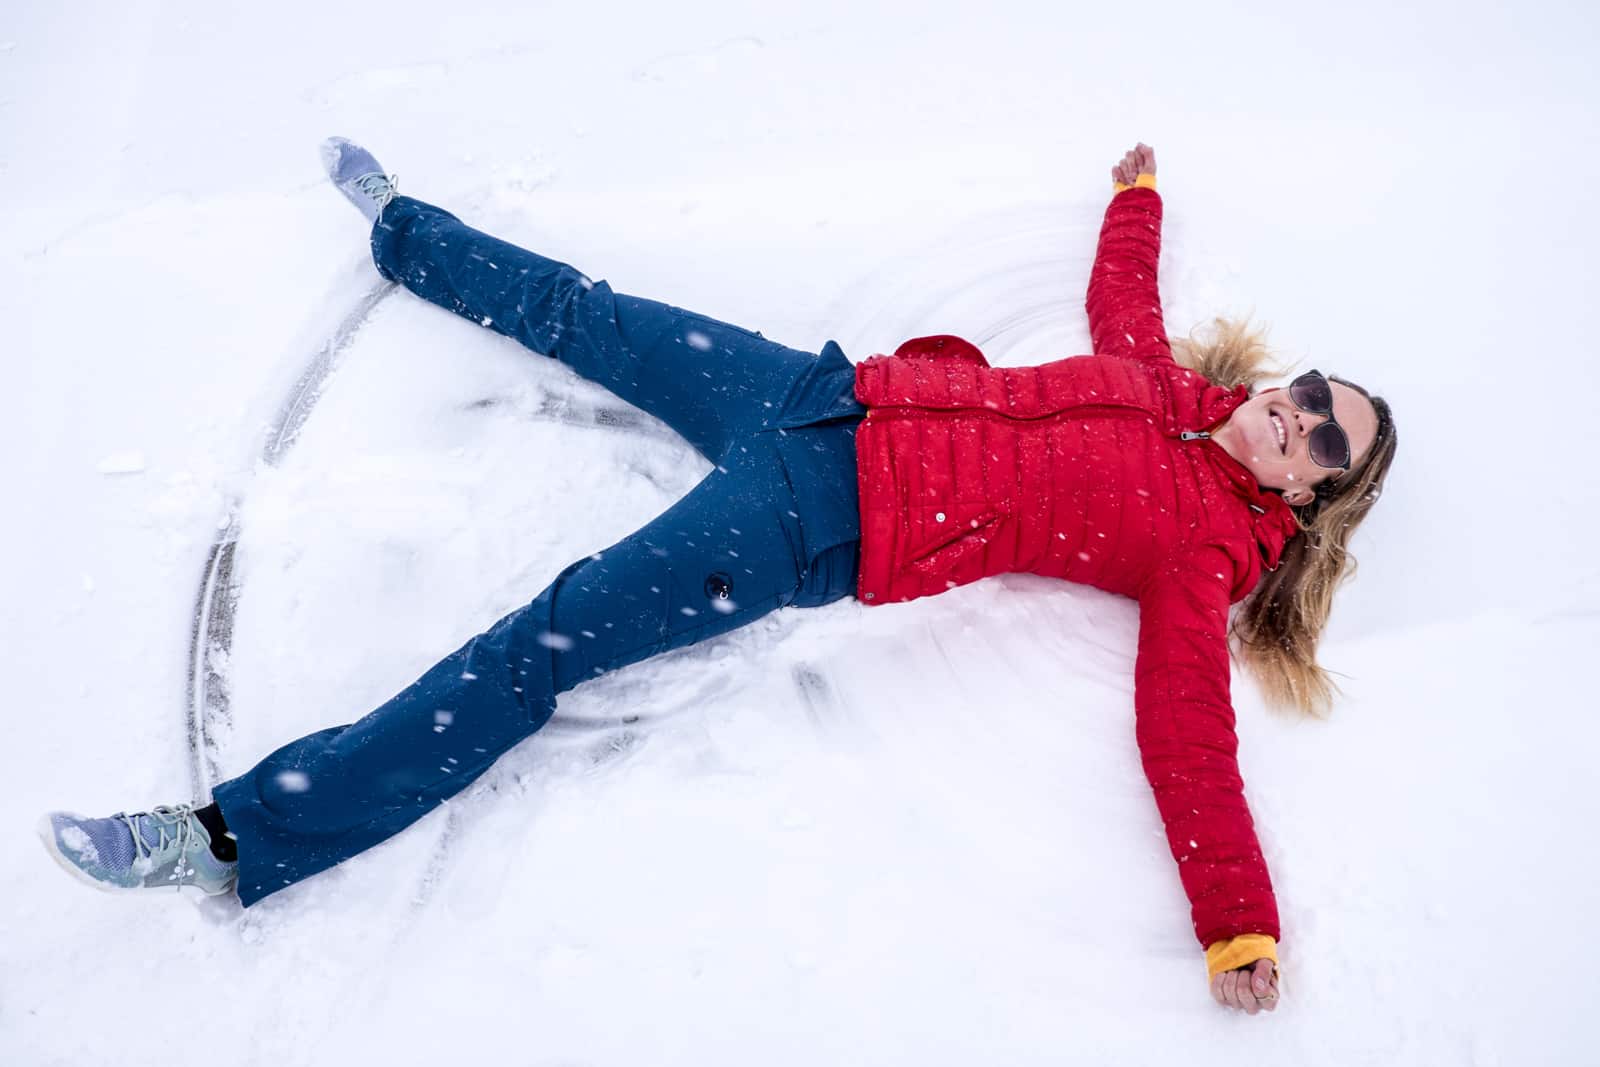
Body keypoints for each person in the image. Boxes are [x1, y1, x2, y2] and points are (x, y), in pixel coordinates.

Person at [39, 140, 1397, 1015]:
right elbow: (1124, 299)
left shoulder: (1204, 551)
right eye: (1316, 393)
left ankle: (234, 834)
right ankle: (407, 233)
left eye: (1327, 440)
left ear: (1310, 491)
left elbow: (1186, 735)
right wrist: (1138, 200)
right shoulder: (1169, 383)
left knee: (543, 643)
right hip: (817, 395)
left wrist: (1239, 925)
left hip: (808, 523)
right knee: (600, 316)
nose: (1304, 416)